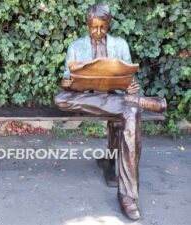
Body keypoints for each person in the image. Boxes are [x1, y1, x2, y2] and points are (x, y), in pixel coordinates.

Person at [54, 3, 164, 220]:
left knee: (131, 115)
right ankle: (136, 102)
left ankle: (128, 196)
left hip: (114, 98)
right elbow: (68, 78)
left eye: (102, 28)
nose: (97, 32)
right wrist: (67, 82)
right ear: (88, 25)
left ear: (108, 24)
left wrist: (131, 87)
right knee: (60, 98)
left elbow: (129, 79)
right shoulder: (76, 46)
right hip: (86, 99)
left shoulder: (120, 45)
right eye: (93, 28)